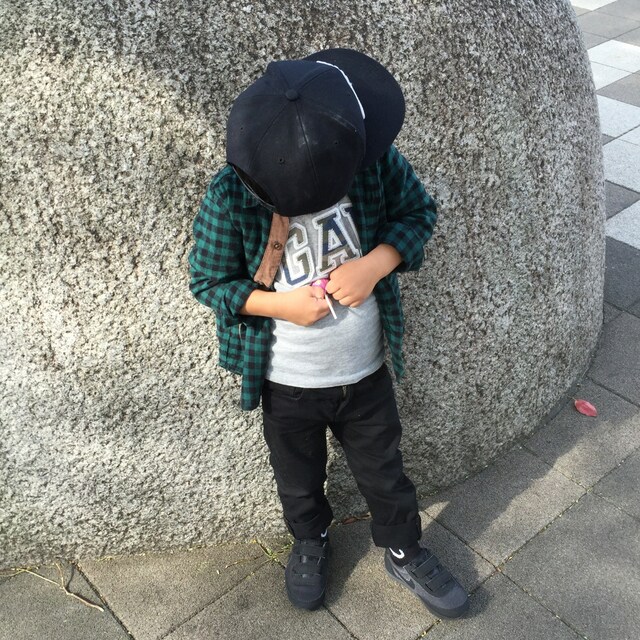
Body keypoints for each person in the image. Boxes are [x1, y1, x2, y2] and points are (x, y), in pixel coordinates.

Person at [188, 48, 469, 619]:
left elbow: (419, 213)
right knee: (297, 478)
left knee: (385, 471)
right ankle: (310, 540)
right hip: (285, 382)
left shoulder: (373, 161)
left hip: (364, 372)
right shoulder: (233, 192)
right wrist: (280, 305)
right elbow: (208, 281)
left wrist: (376, 264)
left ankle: (403, 548)